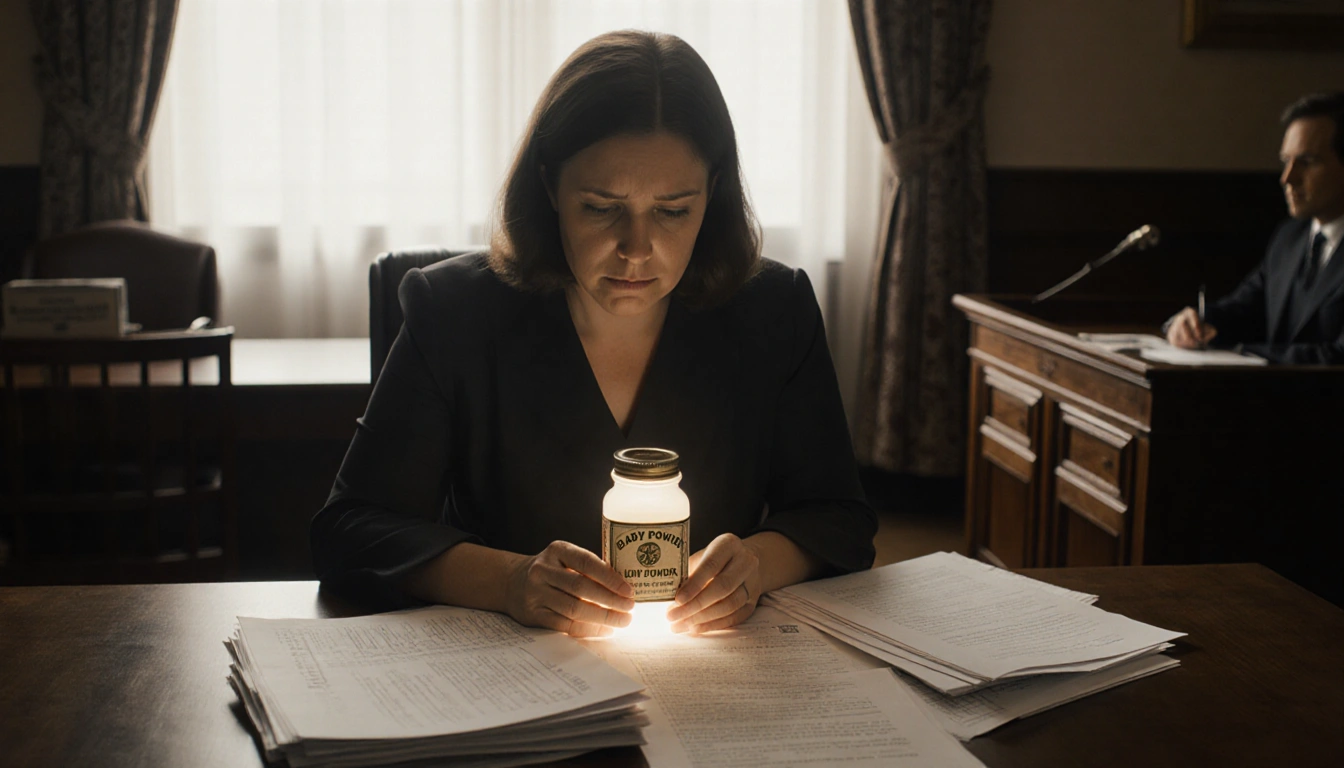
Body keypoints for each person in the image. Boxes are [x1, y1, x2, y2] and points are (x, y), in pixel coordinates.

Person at [311, 31, 877, 637]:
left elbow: (838, 517)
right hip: (509, 674)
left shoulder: (773, 308)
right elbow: (352, 528)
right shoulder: (453, 309)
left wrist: (756, 566)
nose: (637, 250)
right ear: (550, 185)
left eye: (673, 210)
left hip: (709, 681)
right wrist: (508, 581)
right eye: (602, 208)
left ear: (712, 193)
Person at [1165, 92, 1344, 364]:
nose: (1287, 178)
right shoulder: (1290, 237)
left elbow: (1337, 358)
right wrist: (1193, 322)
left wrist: (1242, 354)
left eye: (1307, 162)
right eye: (1286, 161)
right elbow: (1241, 310)